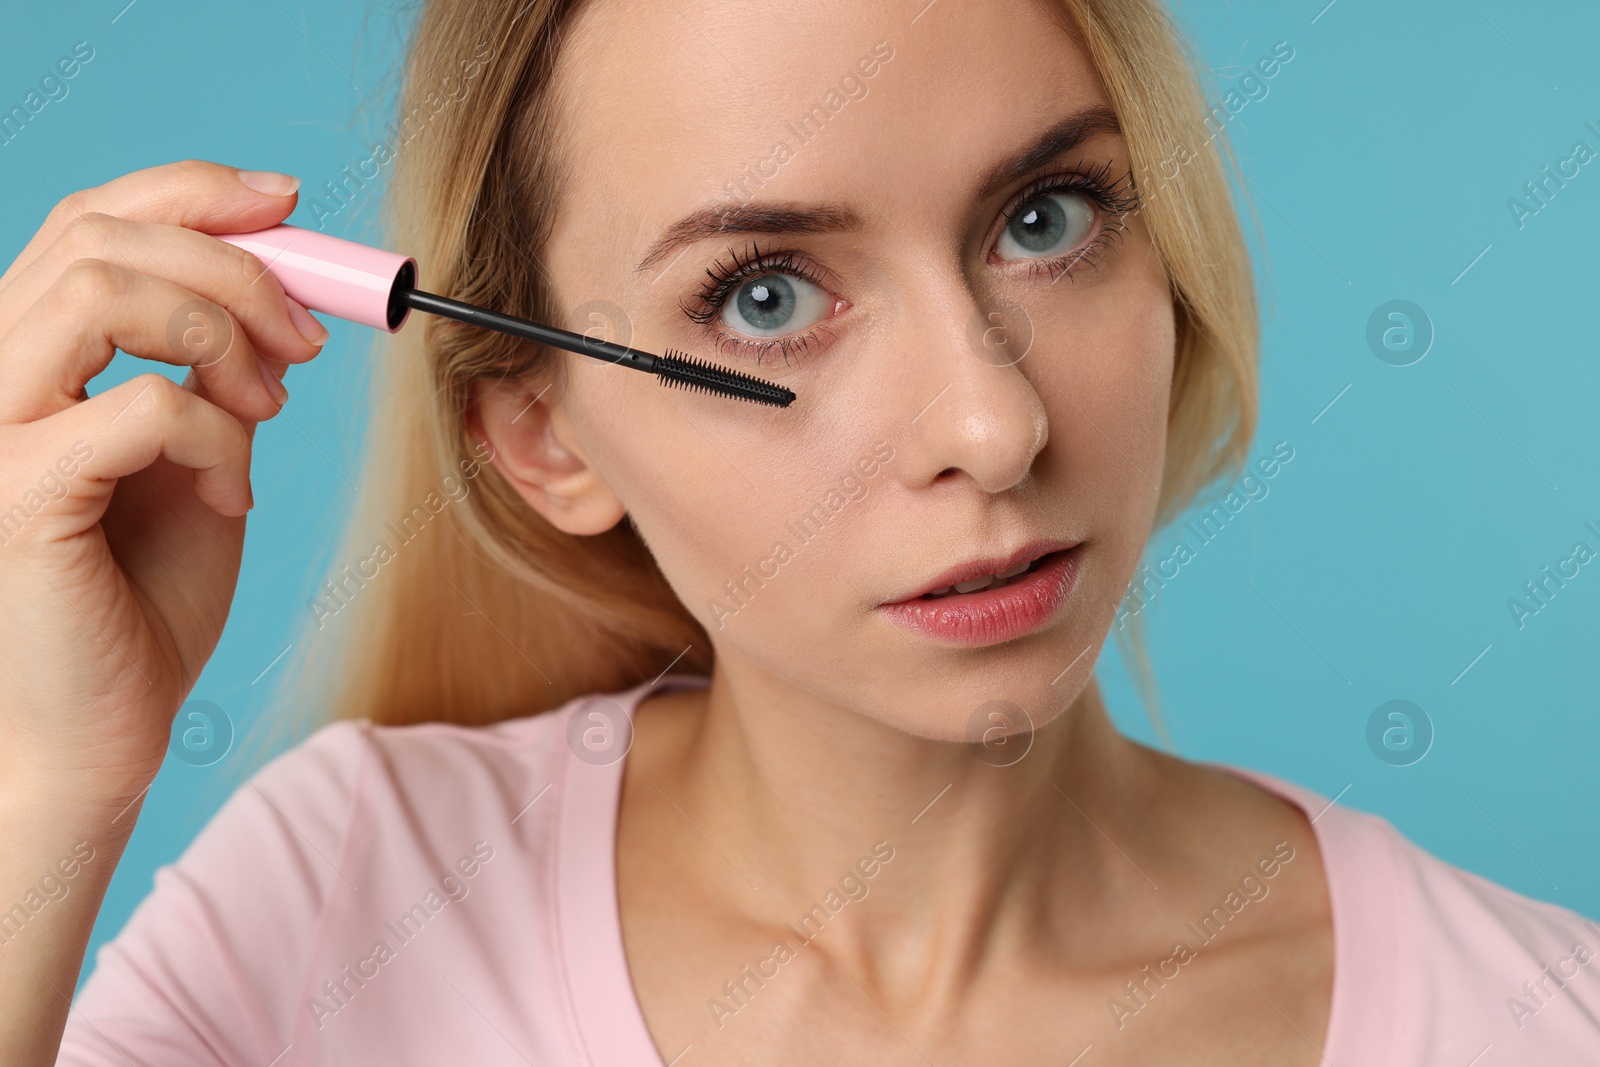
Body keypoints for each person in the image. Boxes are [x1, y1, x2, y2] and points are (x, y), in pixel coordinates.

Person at [2, 0, 1595, 1064]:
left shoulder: (1524, 1017)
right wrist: (43, 784)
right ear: (545, 437)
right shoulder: (339, 901)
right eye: (766, 298)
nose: (994, 427)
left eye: (1045, 217)